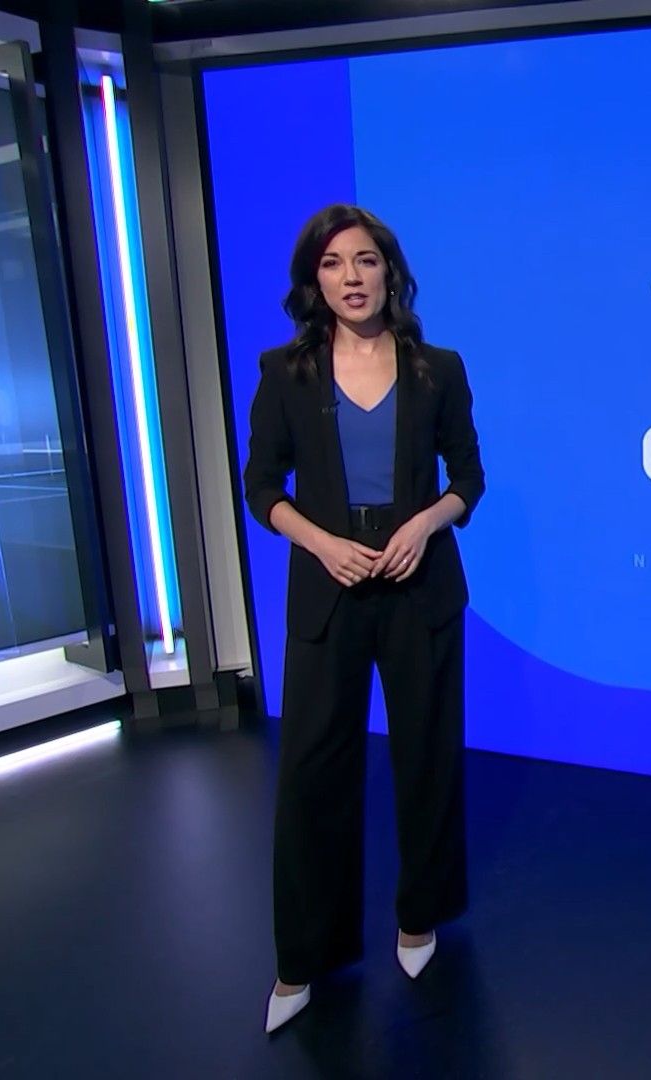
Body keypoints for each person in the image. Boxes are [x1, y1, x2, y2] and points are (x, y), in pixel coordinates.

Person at [241, 204, 484, 1034]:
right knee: (313, 774)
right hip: (330, 589)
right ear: (315, 280)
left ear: (390, 272)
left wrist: (424, 524)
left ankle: (420, 918)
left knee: (426, 761)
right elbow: (262, 487)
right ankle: (303, 958)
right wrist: (320, 543)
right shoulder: (286, 372)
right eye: (333, 263)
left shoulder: (437, 368)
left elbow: (469, 479)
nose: (352, 276)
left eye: (366, 260)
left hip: (420, 589)